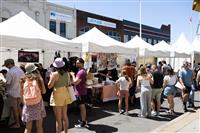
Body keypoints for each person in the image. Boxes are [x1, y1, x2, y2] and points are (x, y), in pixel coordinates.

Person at [20, 63, 46, 133]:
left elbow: (21, 94)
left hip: (28, 105)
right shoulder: (38, 79)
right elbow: (44, 91)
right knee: (39, 126)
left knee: (28, 127)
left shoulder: (23, 80)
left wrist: (25, 103)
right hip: (38, 103)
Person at [48, 58, 72, 133]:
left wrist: (51, 76)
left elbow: (49, 86)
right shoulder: (67, 73)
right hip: (65, 93)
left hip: (57, 94)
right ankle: (66, 132)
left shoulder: (54, 74)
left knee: (58, 119)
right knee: (65, 116)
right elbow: (68, 84)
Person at [3, 59, 25, 128]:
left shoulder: (10, 72)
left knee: (15, 109)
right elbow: (24, 80)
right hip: (19, 92)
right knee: (19, 107)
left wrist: (5, 85)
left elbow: (8, 83)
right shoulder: (20, 70)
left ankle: (17, 124)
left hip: (12, 93)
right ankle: (22, 122)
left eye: (6, 65)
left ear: (10, 64)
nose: (6, 67)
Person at [70, 58, 87, 128]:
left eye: (77, 63)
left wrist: (72, 75)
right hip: (81, 91)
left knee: (82, 107)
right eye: (76, 63)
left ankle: (83, 122)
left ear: (82, 64)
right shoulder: (81, 71)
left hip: (80, 92)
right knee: (82, 107)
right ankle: (84, 120)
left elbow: (75, 82)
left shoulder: (81, 72)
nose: (76, 64)